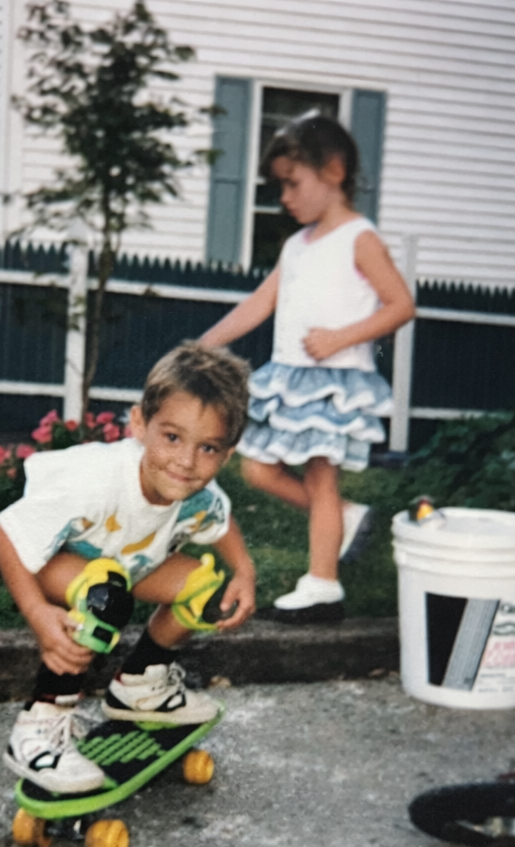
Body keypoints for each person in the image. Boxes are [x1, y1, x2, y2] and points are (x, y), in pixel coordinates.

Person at [0, 344, 257, 794]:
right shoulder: (97, 481)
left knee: (207, 588)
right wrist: (38, 613)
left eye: (207, 447)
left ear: (226, 455)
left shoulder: (196, 492)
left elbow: (220, 519)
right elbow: (7, 533)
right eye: (172, 437)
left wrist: (244, 571)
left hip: (127, 561)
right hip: (49, 561)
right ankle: (40, 725)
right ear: (139, 424)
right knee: (106, 592)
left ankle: (141, 683)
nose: (186, 462)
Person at [199, 114, 415, 623]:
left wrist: (341, 337)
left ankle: (323, 584)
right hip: (290, 375)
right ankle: (345, 520)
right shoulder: (296, 246)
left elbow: (400, 305)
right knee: (257, 469)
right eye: (280, 186)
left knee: (320, 478)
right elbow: (261, 302)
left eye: (293, 183)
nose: (285, 197)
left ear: (334, 172)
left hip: (333, 379)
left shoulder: (359, 238)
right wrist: (207, 343)